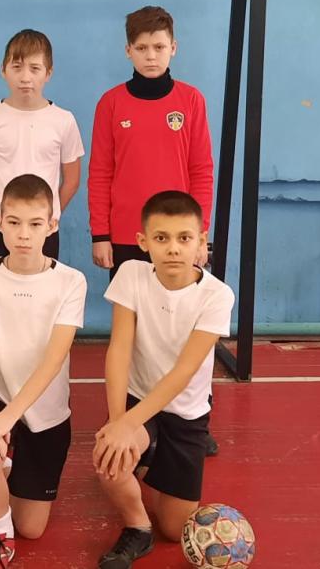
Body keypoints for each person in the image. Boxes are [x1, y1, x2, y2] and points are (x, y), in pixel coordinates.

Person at [87, 5, 221, 456]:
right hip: (128, 238)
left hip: (180, 241)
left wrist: (199, 235)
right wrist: (100, 233)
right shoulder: (111, 103)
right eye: (142, 48)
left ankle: (195, 421)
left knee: (185, 335)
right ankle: (125, 418)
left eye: (159, 47)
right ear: (128, 50)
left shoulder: (191, 101)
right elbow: (100, 171)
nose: (151, 55)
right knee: (132, 335)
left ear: (173, 48)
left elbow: (202, 169)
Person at [92, 191, 234, 569]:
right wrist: (118, 422)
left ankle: (149, 458)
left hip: (186, 413)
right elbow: (119, 349)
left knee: (175, 529)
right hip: (139, 400)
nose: (173, 248)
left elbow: (184, 371)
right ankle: (137, 527)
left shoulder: (217, 295)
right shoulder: (131, 274)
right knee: (109, 455)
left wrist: (126, 426)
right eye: (161, 238)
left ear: (201, 241)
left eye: (184, 238)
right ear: (143, 242)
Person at [0, 174, 87, 566]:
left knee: (32, 526)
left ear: (51, 225)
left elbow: (54, 359)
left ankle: (8, 463)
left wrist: (8, 419)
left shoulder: (71, 282)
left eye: (35, 224)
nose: (23, 234)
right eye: (14, 222)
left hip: (44, 409)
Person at [0, 30, 84, 260]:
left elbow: (72, 180)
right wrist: (0, 213)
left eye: (35, 68)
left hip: (43, 230)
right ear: (3, 70)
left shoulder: (63, 120)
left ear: (48, 73)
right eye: (17, 67)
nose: (25, 78)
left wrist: (46, 215)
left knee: (41, 283)